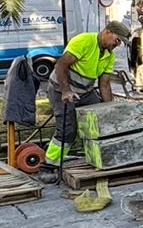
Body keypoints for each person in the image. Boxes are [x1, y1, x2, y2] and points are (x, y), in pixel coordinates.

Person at [44, 21, 131, 164]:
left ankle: (95, 158)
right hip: (61, 90)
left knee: (98, 122)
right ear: (107, 32)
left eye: (120, 42)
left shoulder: (109, 56)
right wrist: (66, 91)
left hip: (85, 92)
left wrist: (109, 110)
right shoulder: (84, 40)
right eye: (117, 40)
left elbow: (104, 85)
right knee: (67, 129)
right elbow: (61, 65)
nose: (118, 44)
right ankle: (50, 164)